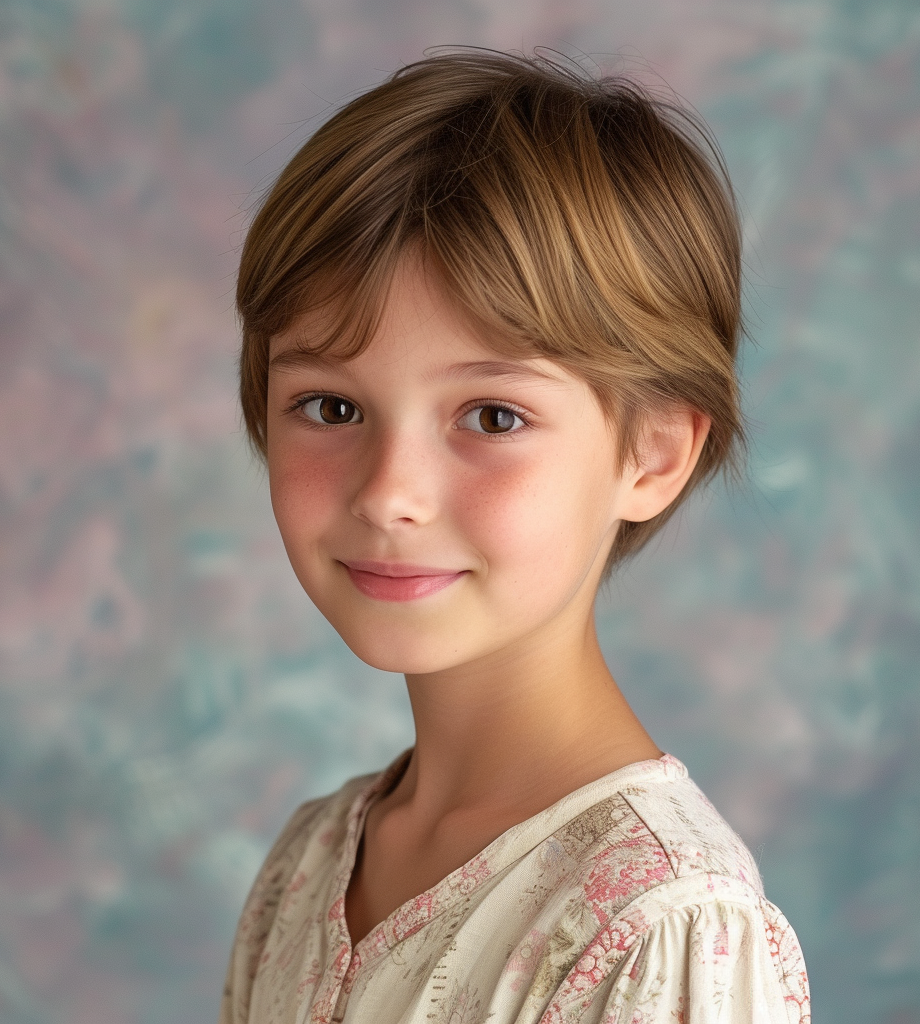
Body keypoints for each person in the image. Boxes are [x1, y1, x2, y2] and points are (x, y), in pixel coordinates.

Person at [220, 48, 810, 1024]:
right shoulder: (309, 861)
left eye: (490, 417)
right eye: (329, 405)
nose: (390, 494)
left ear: (652, 454)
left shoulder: (663, 925)